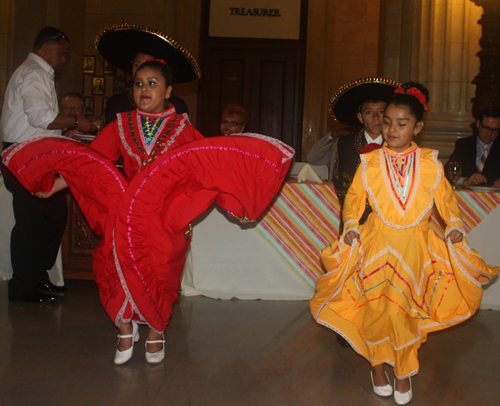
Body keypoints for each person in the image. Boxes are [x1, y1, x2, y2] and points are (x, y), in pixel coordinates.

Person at [309, 82, 499, 405]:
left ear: (418, 127)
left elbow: (447, 201)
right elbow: (354, 199)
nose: (392, 129)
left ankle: (403, 367)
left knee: (407, 312)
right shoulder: (369, 163)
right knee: (377, 310)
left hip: (415, 249)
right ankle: (379, 368)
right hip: (377, 245)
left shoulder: (429, 164)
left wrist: (453, 226)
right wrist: (352, 225)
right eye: (387, 122)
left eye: (402, 123)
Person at [0, 26, 97, 303]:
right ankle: (23, 286)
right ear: (46, 48)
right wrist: (77, 121)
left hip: (37, 155)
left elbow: (42, 126)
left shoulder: (40, 73)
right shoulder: (32, 73)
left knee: (54, 215)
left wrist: (65, 133)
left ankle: (39, 277)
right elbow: (41, 118)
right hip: (22, 157)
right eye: (62, 53)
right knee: (29, 222)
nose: (65, 59)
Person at [327, 78, 400, 233]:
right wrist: (355, 212)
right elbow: (340, 181)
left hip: (389, 219)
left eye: (381, 112)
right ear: (360, 117)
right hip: (355, 219)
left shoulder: (399, 144)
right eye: (369, 112)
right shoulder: (345, 144)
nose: (375, 117)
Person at [96, 24, 201, 126]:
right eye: (137, 65)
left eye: (151, 82)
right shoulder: (116, 103)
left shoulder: (178, 106)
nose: (141, 69)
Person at [445, 107, 500, 187]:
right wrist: (464, 181)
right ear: (478, 124)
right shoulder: (464, 145)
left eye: (495, 130)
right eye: (486, 128)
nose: (489, 133)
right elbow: (447, 171)